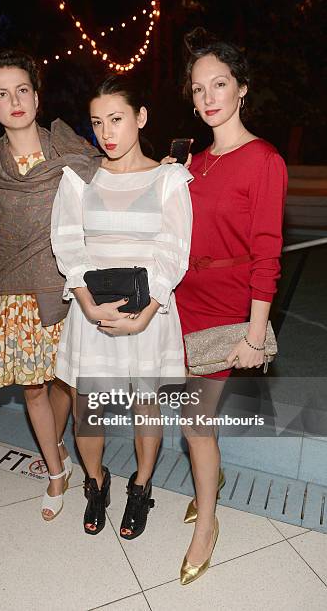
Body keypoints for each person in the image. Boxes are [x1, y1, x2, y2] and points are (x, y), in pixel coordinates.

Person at [51, 74, 193, 538]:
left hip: (149, 311)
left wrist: (147, 313)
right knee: (85, 408)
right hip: (90, 309)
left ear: (141, 118)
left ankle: (141, 485)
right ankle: (96, 482)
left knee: (144, 406)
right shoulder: (78, 179)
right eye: (97, 123)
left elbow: (173, 251)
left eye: (116, 119)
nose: (107, 132)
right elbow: (68, 245)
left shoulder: (171, 177)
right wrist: (89, 307)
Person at [170, 29, 288, 585]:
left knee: (195, 421)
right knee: (196, 419)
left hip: (228, 311)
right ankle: (206, 487)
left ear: (242, 88)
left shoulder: (263, 159)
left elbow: (268, 253)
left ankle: (207, 524)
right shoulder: (192, 163)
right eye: (199, 89)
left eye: (220, 84)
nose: (209, 97)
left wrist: (255, 333)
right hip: (182, 304)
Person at [0, 50, 101, 521]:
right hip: (14, 295)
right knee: (33, 389)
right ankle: (56, 469)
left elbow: (107, 185)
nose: (14, 101)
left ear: (36, 94)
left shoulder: (66, 149)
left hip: (68, 287)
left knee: (68, 384)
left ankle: (63, 451)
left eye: (22, 89)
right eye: (1, 94)